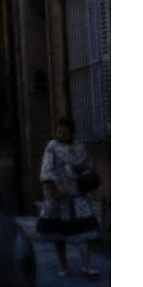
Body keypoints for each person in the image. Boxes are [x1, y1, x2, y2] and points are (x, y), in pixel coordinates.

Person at [36, 117, 102, 278]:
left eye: (64, 131)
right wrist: (53, 187)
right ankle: (63, 263)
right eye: (58, 131)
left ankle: (87, 263)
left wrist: (88, 178)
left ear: (71, 132)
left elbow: (87, 167)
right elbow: (47, 169)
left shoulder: (80, 148)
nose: (61, 134)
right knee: (60, 232)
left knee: (87, 229)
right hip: (59, 195)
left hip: (77, 194)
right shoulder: (52, 147)